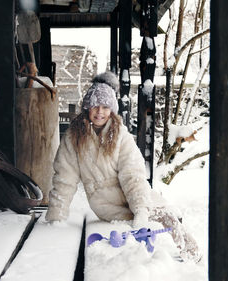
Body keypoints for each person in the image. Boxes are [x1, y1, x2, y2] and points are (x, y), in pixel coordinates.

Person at [45, 71, 201, 262]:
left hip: (134, 195)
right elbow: (64, 178)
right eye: (95, 106)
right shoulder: (74, 137)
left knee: (170, 215)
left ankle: (191, 260)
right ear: (87, 107)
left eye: (105, 107)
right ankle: (180, 257)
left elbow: (133, 175)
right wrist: (56, 217)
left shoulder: (120, 135)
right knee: (165, 216)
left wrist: (141, 211)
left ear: (112, 110)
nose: (100, 112)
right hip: (108, 205)